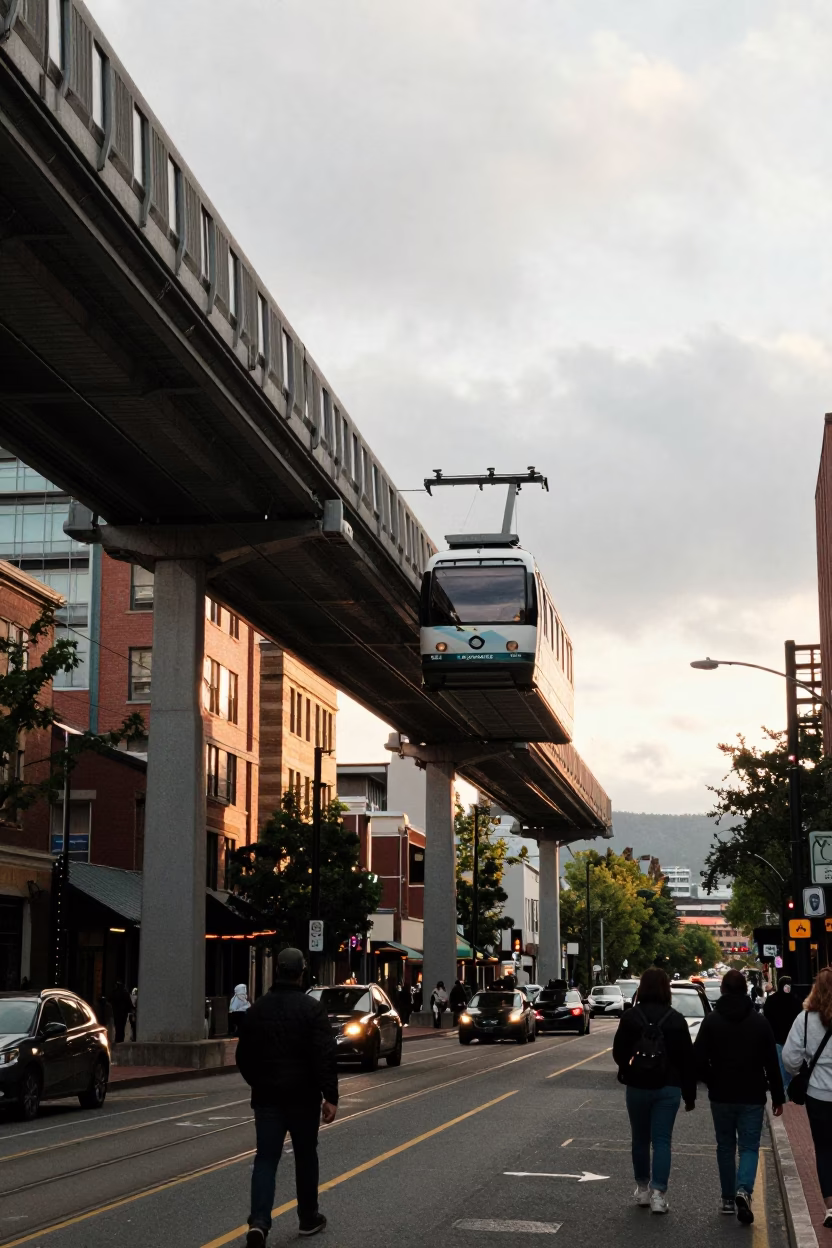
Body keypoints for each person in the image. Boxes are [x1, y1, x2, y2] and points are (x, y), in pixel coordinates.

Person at [236, 947, 338, 1243]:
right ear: (301, 973)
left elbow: (244, 1056)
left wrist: (257, 1081)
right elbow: (324, 1054)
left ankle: (259, 1221)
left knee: (266, 1158)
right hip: (303, 1097)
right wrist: (330, 1096)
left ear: (278, 971)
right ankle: (308, 1217)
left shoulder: (256, 1011)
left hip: (267, 1097)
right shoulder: (311, 1009)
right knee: (306, 1156)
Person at [694, 968, 784, 1223]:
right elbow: (771, 1061)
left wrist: (712, 1079)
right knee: (749, 1147)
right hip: (752, 1094)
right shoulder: (759, 1021)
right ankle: (744, 1189)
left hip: (721, 1094)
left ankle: (726, 1199)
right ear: (745, 990)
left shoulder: (712, 1020)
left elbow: (698, 1060)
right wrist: (777, 1097)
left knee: (725, 1146)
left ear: (722, 990)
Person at [613, 966, 696, 1214]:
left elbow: (618, 1053)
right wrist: (689, 1094)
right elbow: (687, 1060)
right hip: (668, 1086)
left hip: (637, 1086)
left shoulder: (630, 1017)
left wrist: (629, 1068)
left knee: (639, 1139)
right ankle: (659, 1194)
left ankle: (642, 1190)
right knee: (662, 1141)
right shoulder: (676, 1019)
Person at [783, 967, 832, 1229]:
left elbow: (790, 1058)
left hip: (818, 1094)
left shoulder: (804, 1019)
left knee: (824, 1149)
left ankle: (831, 1207)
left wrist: (801, 1071)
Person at [764, 975, 802, 1092]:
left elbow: (767, 1019)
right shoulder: (796, 1001)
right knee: (793, 1066)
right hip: (793, 1040)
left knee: (781, 1067)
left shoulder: (771, 1001)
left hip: (777, 1040)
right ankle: (791, 1089)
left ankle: (785, 1090)